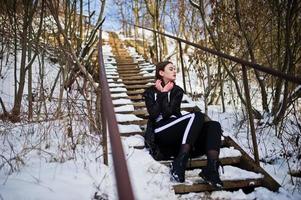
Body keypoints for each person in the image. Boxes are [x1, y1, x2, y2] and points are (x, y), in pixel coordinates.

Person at [143, 61, 224, 189]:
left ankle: (211, 169)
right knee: (197, 116)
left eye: (175, 68)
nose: (174, 71)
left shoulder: (177, 91)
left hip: (176, 130)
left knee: (214, 125)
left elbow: (170, 112)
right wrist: (163, 93)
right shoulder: (149, 92)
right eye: (171, 69)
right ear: (161, 73)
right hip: (160, 130)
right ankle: (180, 162)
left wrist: (165, 93)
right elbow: (155, 114)